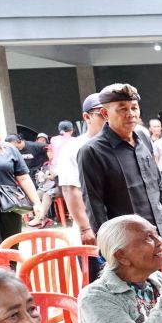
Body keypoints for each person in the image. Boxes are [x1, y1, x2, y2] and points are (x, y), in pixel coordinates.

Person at [79, 83, 162, 242]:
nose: (131, 114)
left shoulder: (143, 137)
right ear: (105, 113)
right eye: (122, 109)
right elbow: (94, 204)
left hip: (159, 233)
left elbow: (158, 183)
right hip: (127, 241)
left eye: (134, 108)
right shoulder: (92, 151)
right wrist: (108, 245)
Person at [57, 93, 107, 244]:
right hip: (93, 223)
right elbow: (70, 189)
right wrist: (85, 228)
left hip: (122, 222)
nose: (108, 118)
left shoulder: (123, 144)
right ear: (87, 117)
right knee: (97, 266)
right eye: (102, 114)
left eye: (112, 112)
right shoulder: (73, 148)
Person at [0, 136, 42, 245]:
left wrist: (36, 202)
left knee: (11, 244)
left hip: (9, 203)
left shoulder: (9, 148)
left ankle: (11, 263)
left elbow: (23, 177)